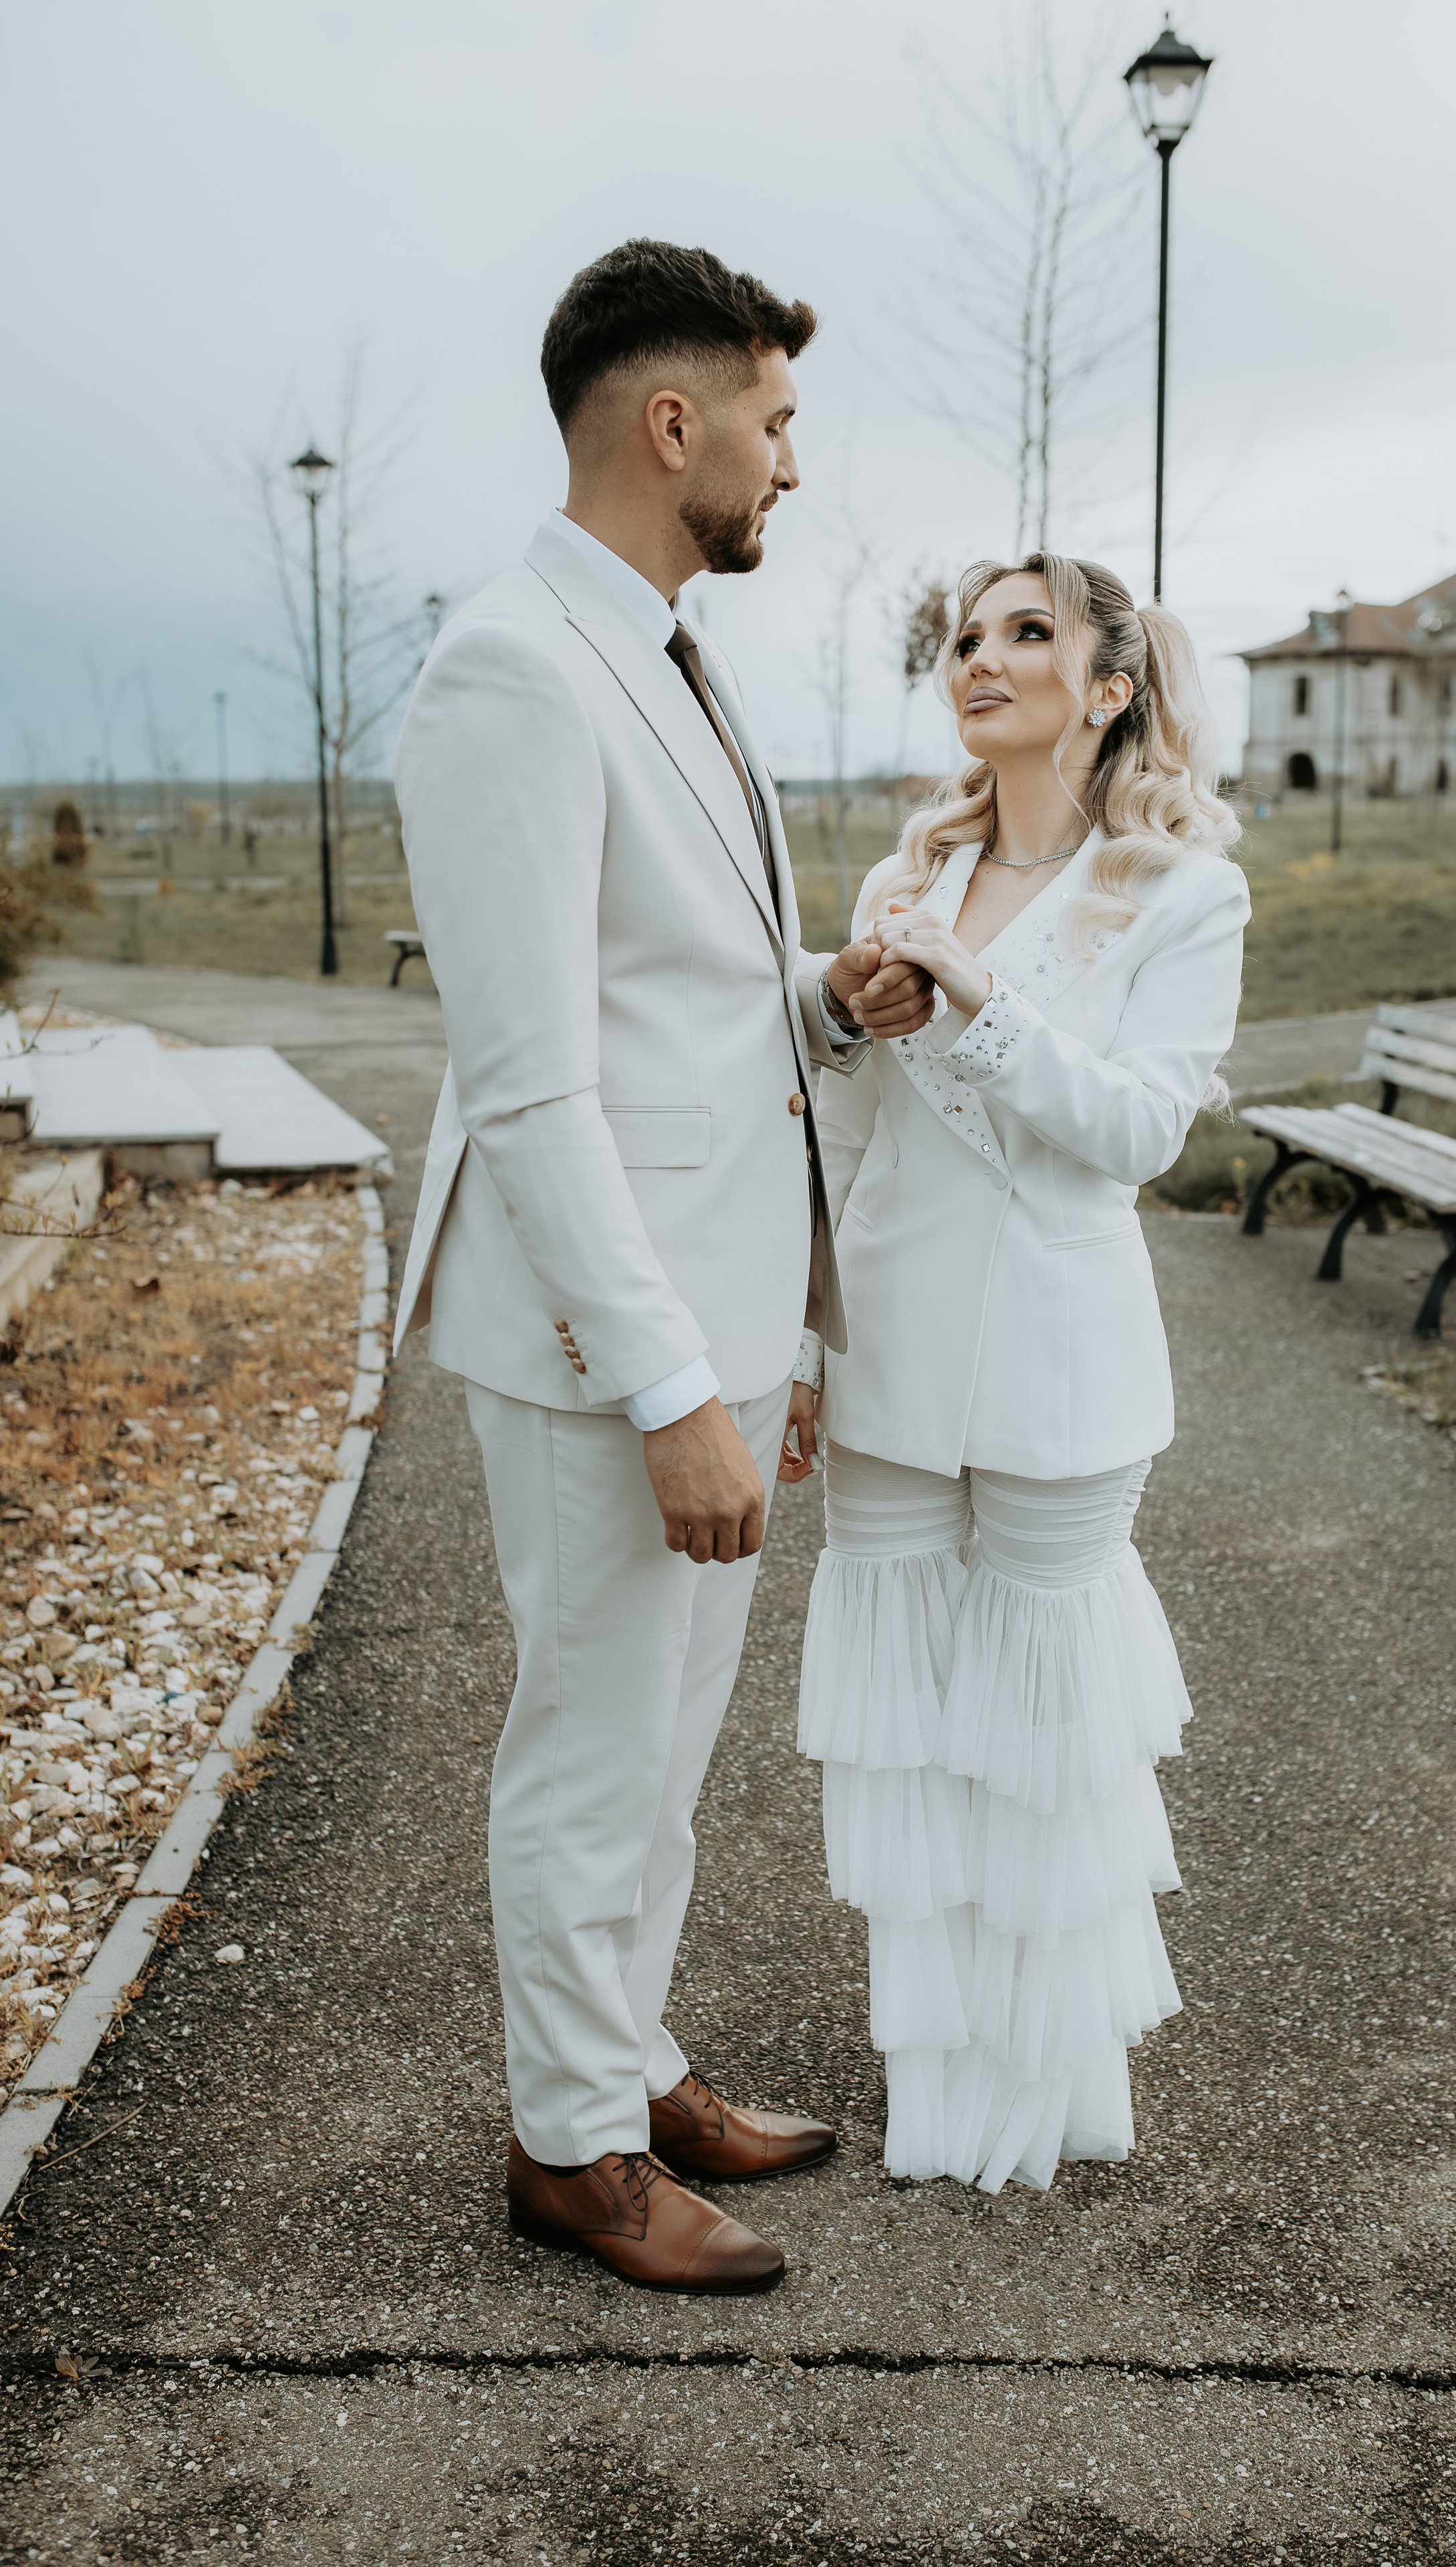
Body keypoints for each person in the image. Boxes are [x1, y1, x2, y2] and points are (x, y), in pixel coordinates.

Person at [391, 240, 932, 2293]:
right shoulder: (510, 667)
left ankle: (631, 2058)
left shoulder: (674, 649)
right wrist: (673, 1392)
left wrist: (825, 998)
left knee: (670, 1742)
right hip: (602, 1342)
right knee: (593, 1742)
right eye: (776, 425)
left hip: (710, 1303)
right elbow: (532, 1090)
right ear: (670, 421)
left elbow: (666, 1002)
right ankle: (568, 2152)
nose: (794, 467)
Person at [795, 551, 1247, 2193]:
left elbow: (1134, 1131)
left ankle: (1043, 2091)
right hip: (889, 1362)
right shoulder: (897, 880)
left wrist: (981, 1010)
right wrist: (793, 1337)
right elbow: (837, 1127)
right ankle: (937, 2089)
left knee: (1046, 1736)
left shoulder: (1182, 894)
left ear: (1109, 685)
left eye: (1025, 634)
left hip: (1063, 1368)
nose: (978, 658)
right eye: (965, 637)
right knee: (907, 1742)